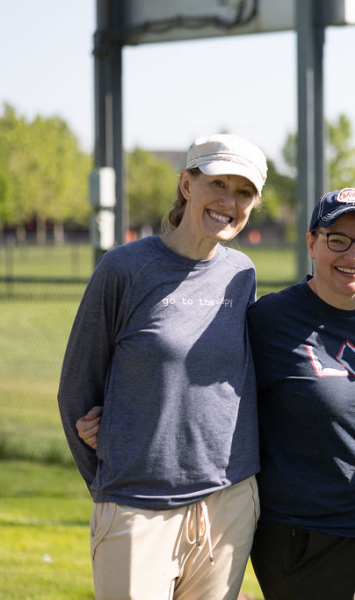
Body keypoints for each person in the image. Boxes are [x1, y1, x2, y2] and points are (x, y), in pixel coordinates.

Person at [59, 133, 267, 599]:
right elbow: (77, 389)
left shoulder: (242, 273)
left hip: (227, 501)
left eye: (243, 192)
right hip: (136, 504)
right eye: (218, 184)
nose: (228, 202)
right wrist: (111, 471)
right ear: (186, 185)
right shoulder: (124, 269)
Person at [246, 188, 355, 599]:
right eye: (336, 240)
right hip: (303, 536)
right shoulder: (270, 319)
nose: (352, 255)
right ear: (311, 242)